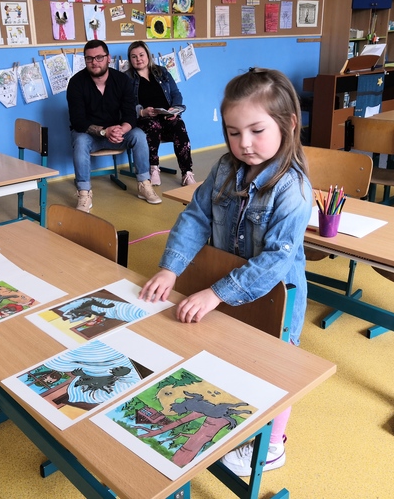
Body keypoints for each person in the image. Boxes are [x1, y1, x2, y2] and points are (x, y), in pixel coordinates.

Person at [138, 68, 312, 476]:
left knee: (273, 367)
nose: (244, 143)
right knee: (232, 356)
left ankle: (272, 446)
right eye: (234, 132)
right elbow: (196, 216)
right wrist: (170, 269)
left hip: (275, 298)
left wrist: (217, 293)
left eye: (256, 131)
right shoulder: (223, 168)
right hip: (225, 290)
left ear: (288, 124)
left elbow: (274, 262)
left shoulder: (293, 189)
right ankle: (232, 421)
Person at [66, 39, 161, 212]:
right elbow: (78, 121)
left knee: (139, 135)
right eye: (89, 58)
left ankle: (144, 184)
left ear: (108, 58)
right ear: (85, 60)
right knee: (79, 140)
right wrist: (104, 131)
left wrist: (122, 129)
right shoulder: (76, 83)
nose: (94, 62)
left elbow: (130, 114)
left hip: (118, 134)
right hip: (91, 137)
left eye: (99, 57)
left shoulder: (122, 80)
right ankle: (84, 193)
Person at [126, 41, 196, 187]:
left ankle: (187, 173)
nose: (138, 59)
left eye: (141, 55)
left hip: (166, 117)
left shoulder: (162, 72)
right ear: (130, 59)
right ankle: (153, 168)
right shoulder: (127, 78)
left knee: (179, 125)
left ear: (148, 55)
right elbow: (124, 104)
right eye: (134, 56)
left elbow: (176, 94)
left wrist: (174, 109)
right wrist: (142, 111)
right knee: (153, 125)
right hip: (146, 120)